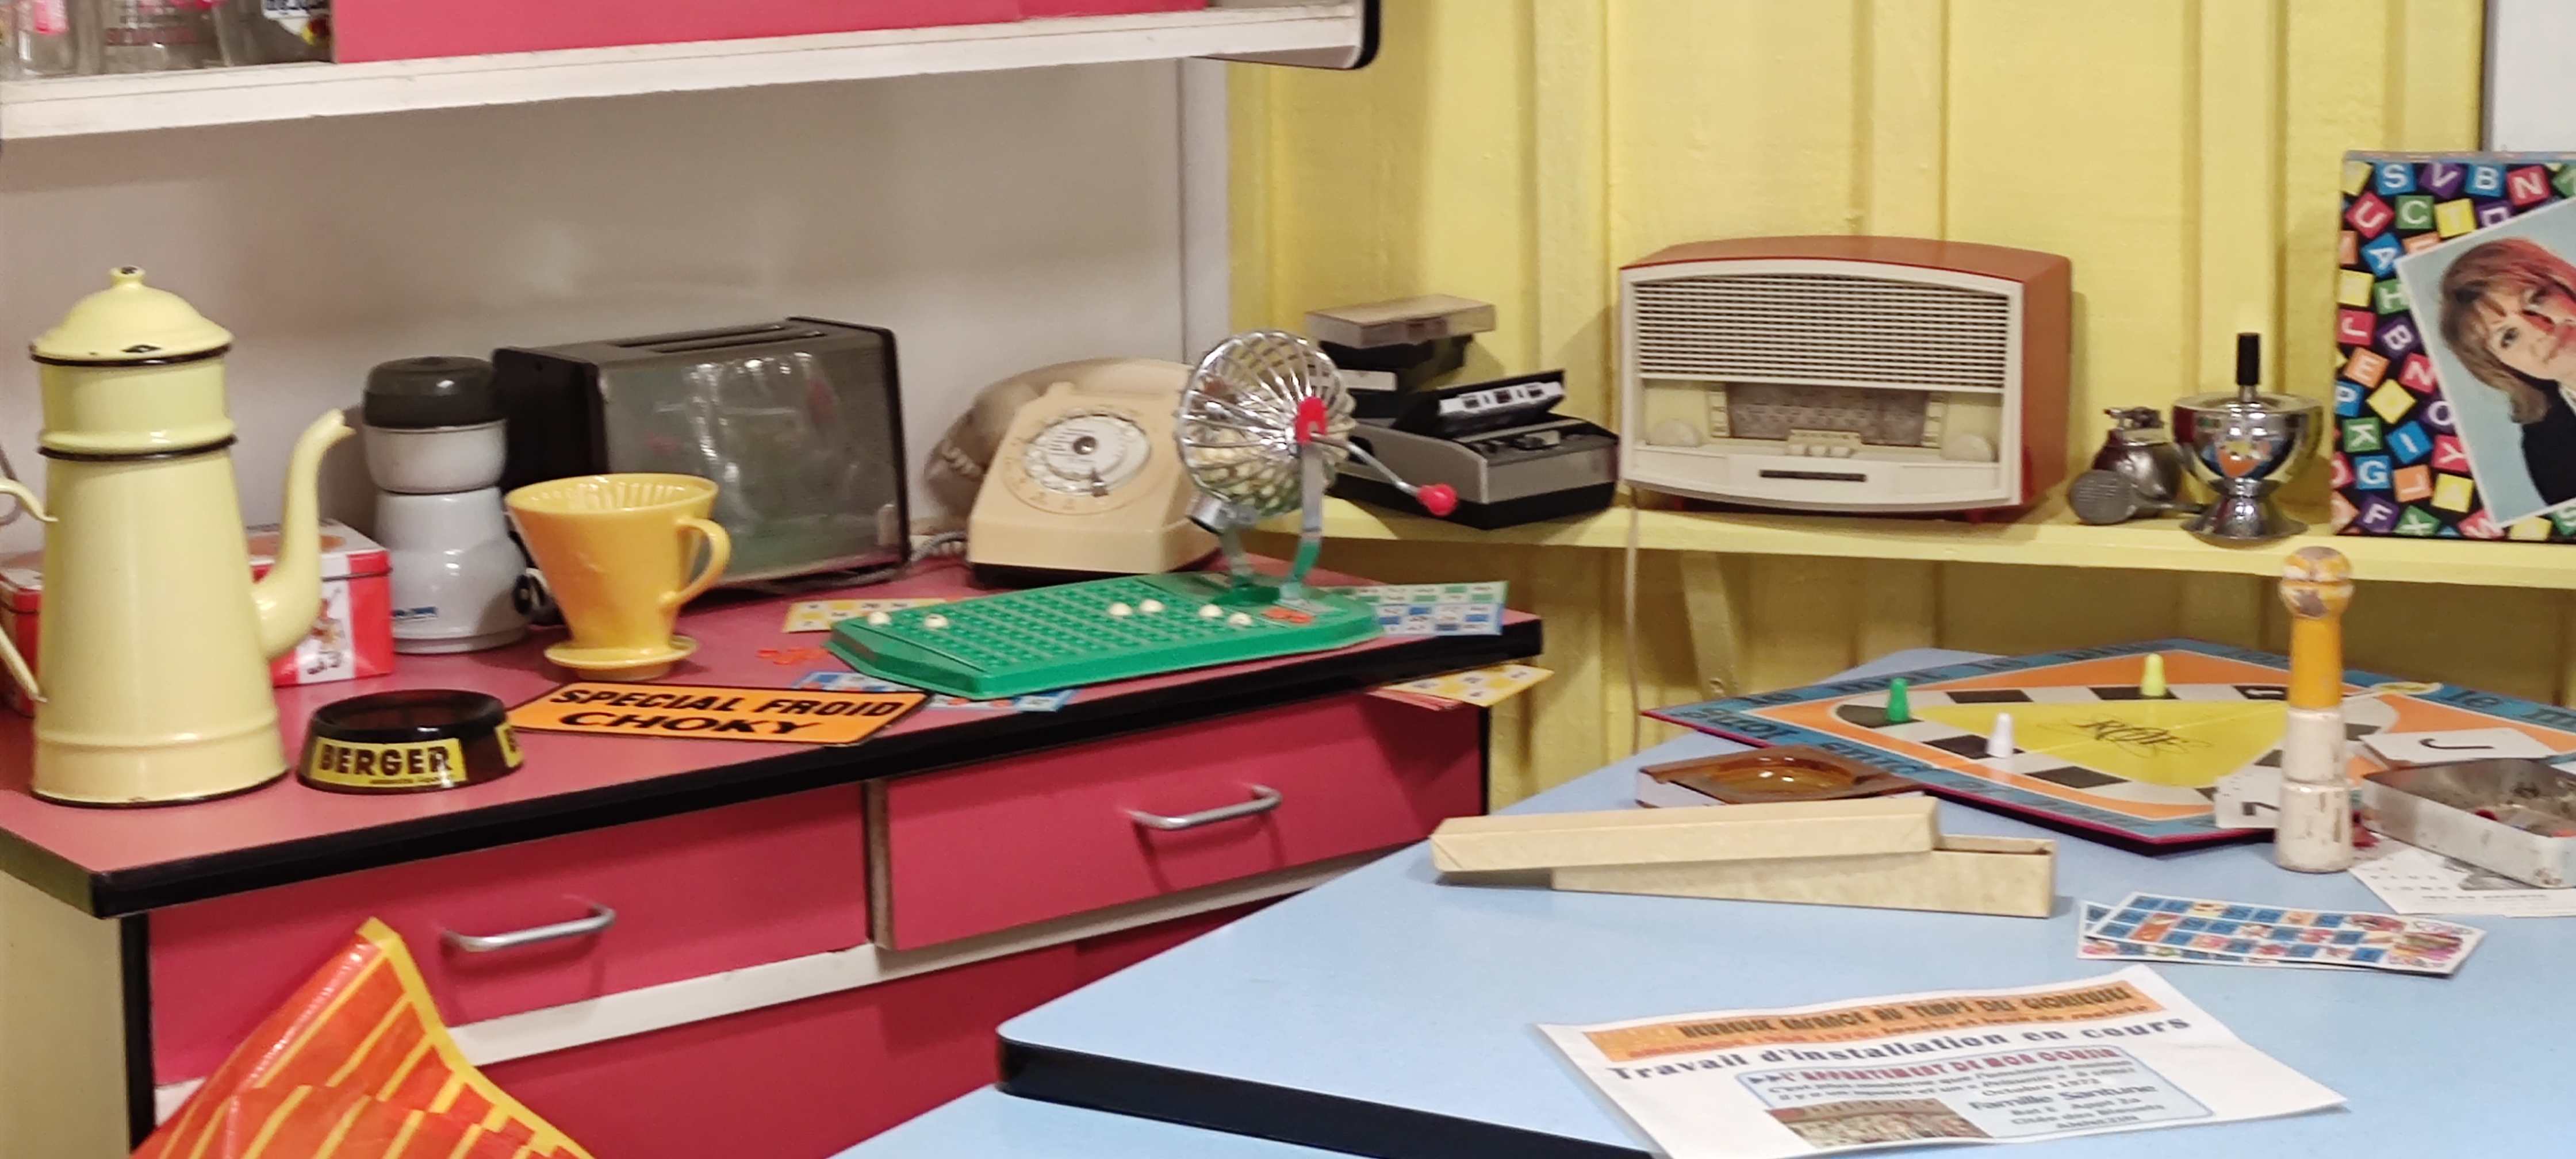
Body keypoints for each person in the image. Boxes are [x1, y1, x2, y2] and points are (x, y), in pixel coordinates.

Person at [2436, 236, 2576, 506]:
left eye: (2537, 299)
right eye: (2509, 336)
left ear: (2567, 286)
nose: (2539, 330)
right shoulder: (2547, 451)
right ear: (2502, 367)